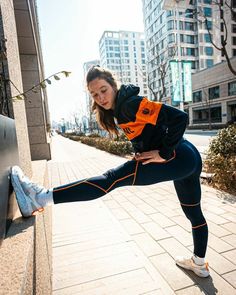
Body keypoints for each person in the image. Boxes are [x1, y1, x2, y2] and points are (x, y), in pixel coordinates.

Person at [11, 66, 209, 278]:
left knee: (109, 180)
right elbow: (152, 130)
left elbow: (179, 117)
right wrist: (146, 150)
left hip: (178, 157)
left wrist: (165, 153)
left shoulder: (129, 105)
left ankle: (39, 198)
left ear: (114, 86)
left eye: (104, 90)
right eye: (94, 94)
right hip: (188, 158)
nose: (100, 97)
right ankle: (199, 264)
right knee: (193, 213)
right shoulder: (121, 108)